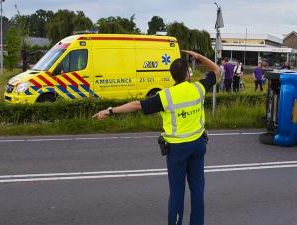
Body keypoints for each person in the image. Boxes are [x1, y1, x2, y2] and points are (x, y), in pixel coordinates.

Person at [93, 50, 220, 225]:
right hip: (198, 146)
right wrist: (198, 57)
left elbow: (137, 105)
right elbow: (216, 69)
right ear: (187, 73)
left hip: (177, 150)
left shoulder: (165, 97)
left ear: (172, 76)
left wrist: (110, 111)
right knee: (197, 190)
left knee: (177, 193)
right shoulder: (199, 88)